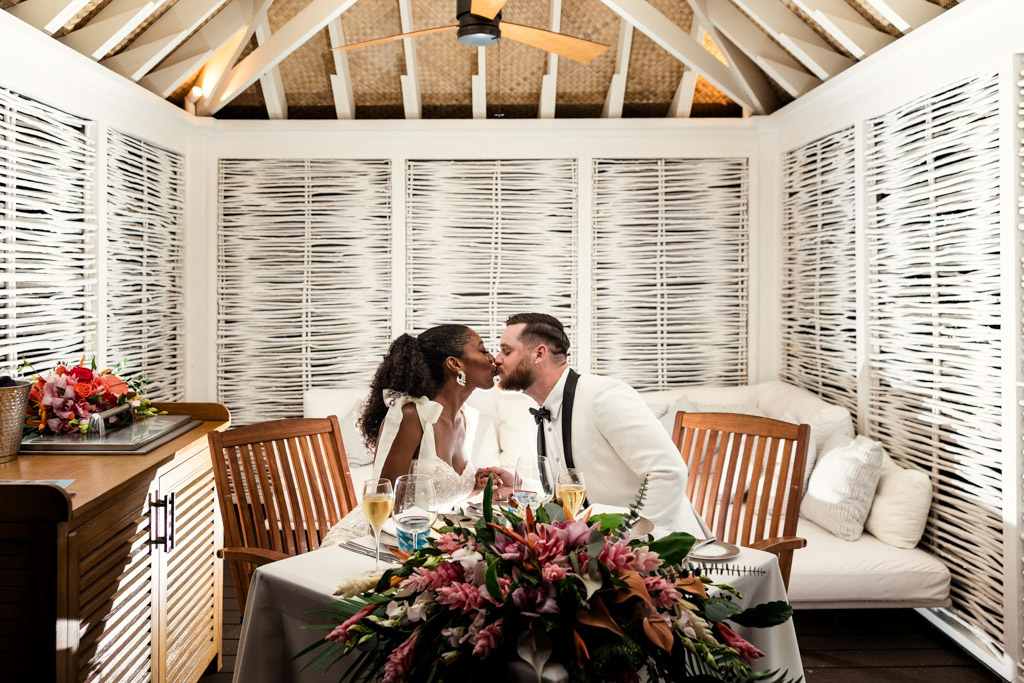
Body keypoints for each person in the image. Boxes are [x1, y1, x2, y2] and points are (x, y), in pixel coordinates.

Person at [493, 312, 703, 533]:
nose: (497, 359)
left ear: (539, 354)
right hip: (601, 550)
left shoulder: (603, 396)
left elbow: (668, 472)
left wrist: (633, 544)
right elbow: (571, 491)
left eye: (506, 351)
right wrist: (522, 488)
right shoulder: (537, 420)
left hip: (669, 547)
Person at [322, 324, 514, 546]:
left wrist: (473, 486)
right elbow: (384, 503)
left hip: (420, 541)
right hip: (370, 543)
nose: (493, 358)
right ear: (455, 364)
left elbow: (432, 498)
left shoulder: (465, 418)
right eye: (483, 350)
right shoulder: (411, 415)